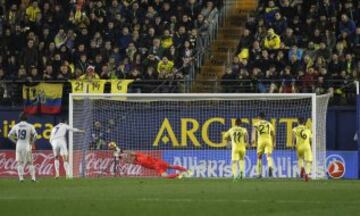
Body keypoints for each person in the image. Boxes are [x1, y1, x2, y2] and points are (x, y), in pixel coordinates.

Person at [108, 142, 192, 178]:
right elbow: (128, 161)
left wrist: (121, 151)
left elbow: (130, 153)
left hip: (158, 163)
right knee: (168, 171)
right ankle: (182, 173)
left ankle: (184, 172)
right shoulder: (137, 161)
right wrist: (119, 156)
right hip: (157, 165)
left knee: (169, 169)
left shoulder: (138, 155)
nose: (131, 156)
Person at [8, 112, 38, 182]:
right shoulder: (30, 126)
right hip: (27, 144)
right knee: (30, 162)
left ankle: (21, 178)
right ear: (26, 118)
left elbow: (9, 135)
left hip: (19, 145)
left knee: (19, 162)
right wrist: (32, 142)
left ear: (20, 118)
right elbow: (36, 135)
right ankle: (33, 178)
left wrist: (15, 141)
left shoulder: (16, 126)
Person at [252, 112, 276, 178]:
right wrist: (274, 143)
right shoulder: (269, 124)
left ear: (259, 117)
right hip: (268, 141)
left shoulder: (257, 123)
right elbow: (273, 134)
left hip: (261, 141)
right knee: (268, 156)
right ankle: (270, 166)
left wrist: (253, 138)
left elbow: (253, 130)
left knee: (259, 157)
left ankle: (259, 174)